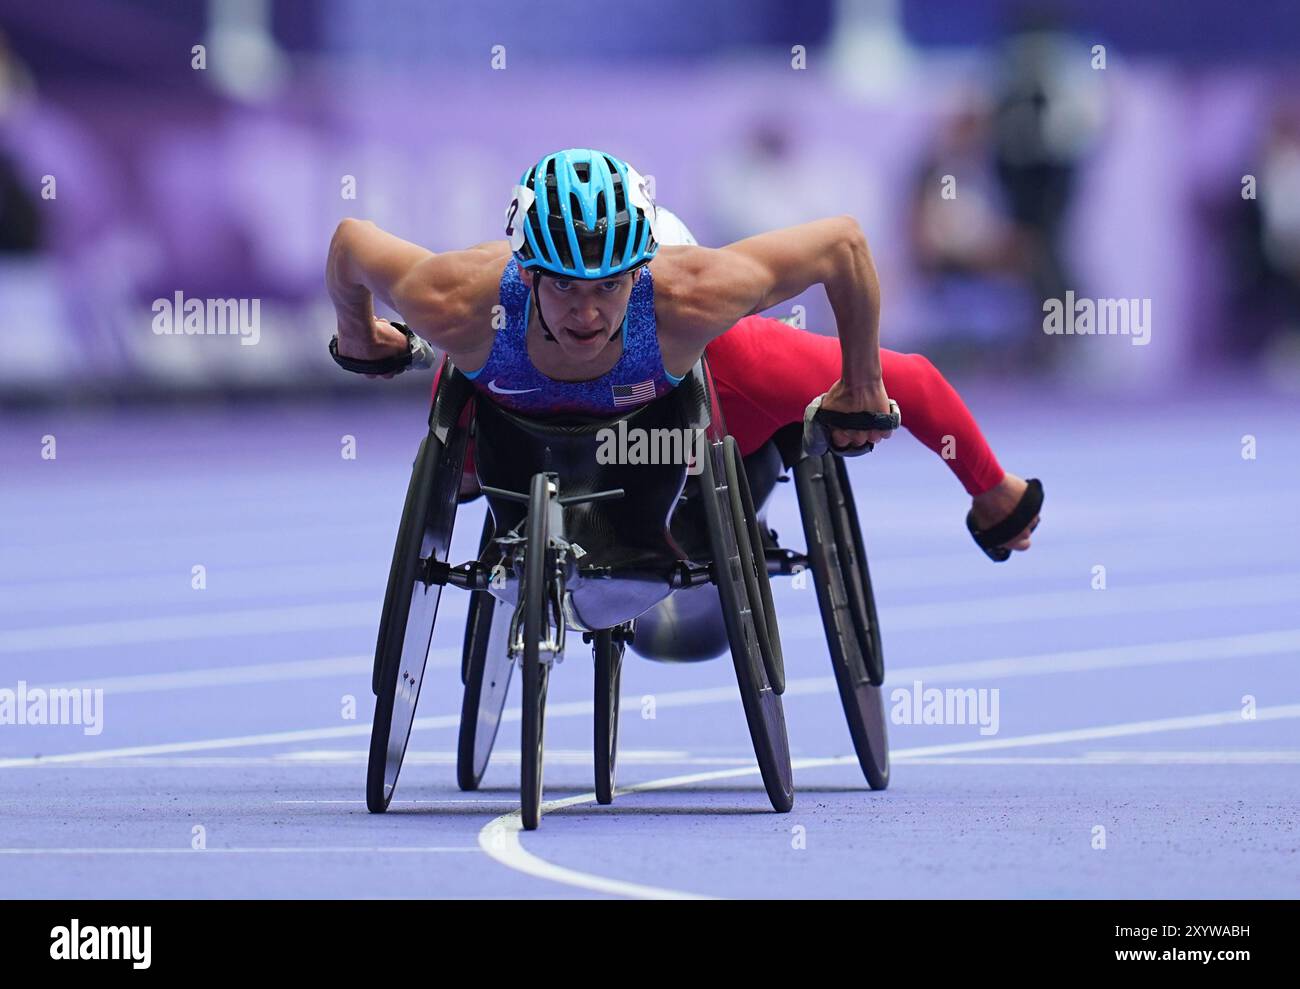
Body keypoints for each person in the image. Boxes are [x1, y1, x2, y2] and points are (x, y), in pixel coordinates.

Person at [326, 148, 1041, 558]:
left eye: (609, 286)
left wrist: (990, 491)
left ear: (643, 270)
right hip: (510, 419)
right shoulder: (458, 303)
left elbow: (845, 245)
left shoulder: (689, 303)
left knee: (757, 382)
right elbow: (351, 241)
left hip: (674, 425)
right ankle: (490, 481)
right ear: (528, 273)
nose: (588, 311)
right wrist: (360, 338)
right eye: (567, 288)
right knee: (454, 419)